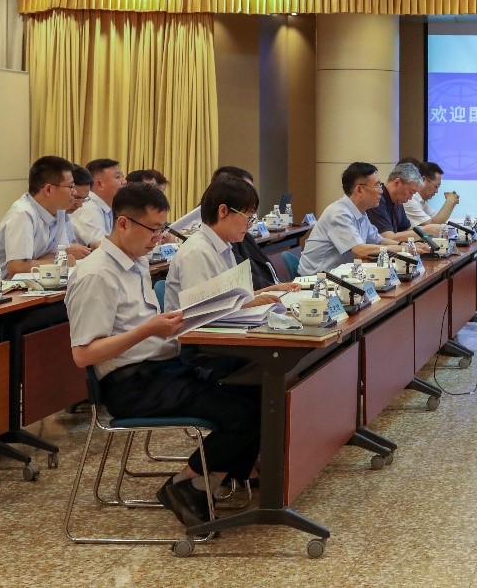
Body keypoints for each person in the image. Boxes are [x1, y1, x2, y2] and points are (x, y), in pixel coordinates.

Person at [66, 183, 261, 528]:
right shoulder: (96, 274)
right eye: (153, 230)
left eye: (162, 229)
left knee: (258, 394)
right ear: (123, 223)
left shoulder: (136, 262)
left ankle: (200, 484)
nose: (159, 239)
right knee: (244, 414)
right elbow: (83, 355)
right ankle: (186, 484)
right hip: (133, 385)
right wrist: (149, 330)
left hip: (163, 368)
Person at [163, 177, 299, 312]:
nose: (250, 225)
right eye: (248, 217)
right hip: (198, 326)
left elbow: (231, 299)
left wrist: (271, 290)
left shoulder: (224, 246)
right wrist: (251, 304)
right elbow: (201, 312)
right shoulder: (197, 252)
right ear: (223, 211)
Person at [0, 155, 91, 277]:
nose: (75, 192)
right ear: (48, 189)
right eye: (71, 187)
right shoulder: (23, 214)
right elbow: (16, 268)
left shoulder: (59, 211)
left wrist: (61, 259)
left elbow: (58, 254)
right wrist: (63, 261)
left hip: (34, 282)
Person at [297, 162, 405, 275]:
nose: (381, 191)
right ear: (359, 190)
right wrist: (403, 250)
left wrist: (403, 245)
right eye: (377, 186)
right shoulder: (339, 214)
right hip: (316, 279)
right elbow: (360, 250)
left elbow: (379, 241)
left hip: (338, 276)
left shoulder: (361, 213)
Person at [72, 158, 126, 248]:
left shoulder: (106, 207)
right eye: (117, 177)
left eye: (123, 176)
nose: (124, 181)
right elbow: (101, 246)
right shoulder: (89, 208)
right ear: (100, 184)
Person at [367, 161, 423, 241]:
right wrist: (426, 230)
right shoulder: (376, 199)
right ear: (397, 183)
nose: (410, 198)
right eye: (411, 192)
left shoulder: (397, 201)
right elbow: (386, 238)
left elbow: (406, 230)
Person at [403, 161, 459, 234]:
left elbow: (436, 219)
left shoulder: (421, 201)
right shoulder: (410, 199)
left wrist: (452, 203)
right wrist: (450, 201)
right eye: (436, 186)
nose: (436, 191)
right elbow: (433, 225)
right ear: (423, 180)